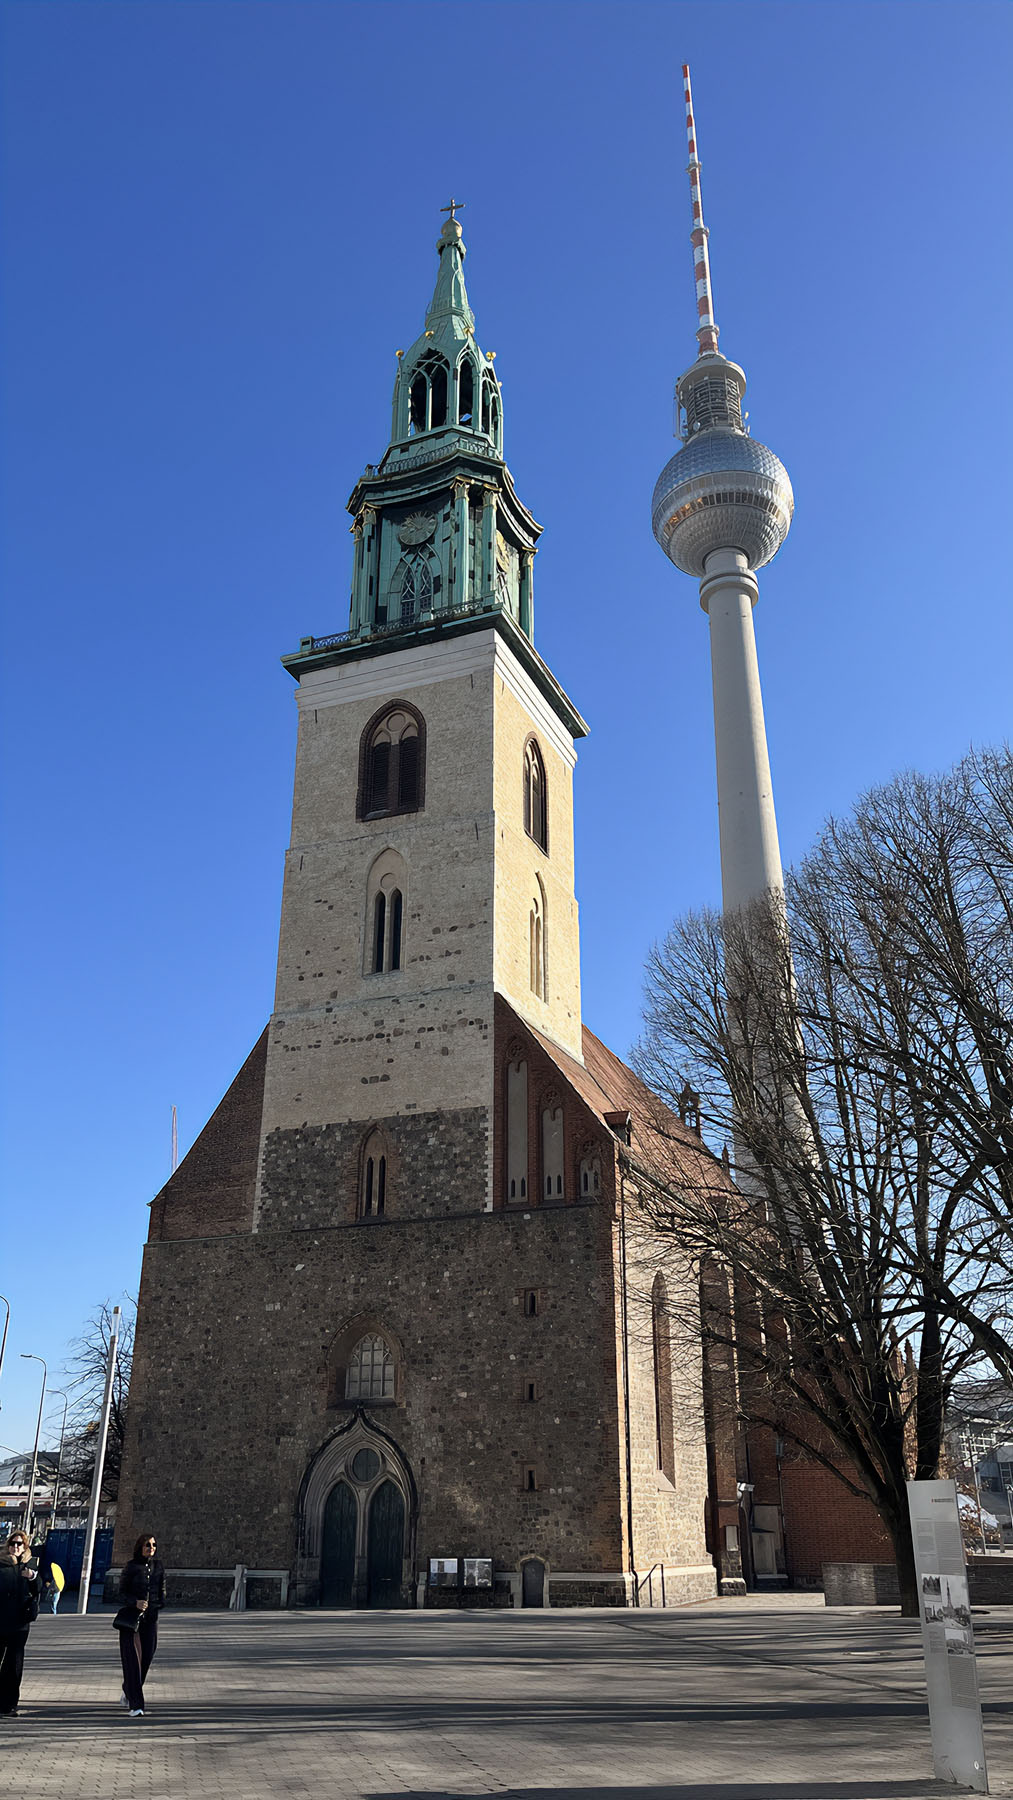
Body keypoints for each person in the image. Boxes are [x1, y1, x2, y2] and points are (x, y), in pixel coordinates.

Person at [116, 1533, 165, 1717]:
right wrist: (134, 1602)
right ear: (140, 1547)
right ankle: (136, 1705)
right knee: (134, 1661)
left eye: (153, 1545)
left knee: (147, 1658)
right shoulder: (131, 1567)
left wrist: (159, 1603)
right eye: (147, 1545)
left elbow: (161, 1588)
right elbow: (120, 1592)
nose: (151, 1548)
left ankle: (129, 1689)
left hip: (150, 1618)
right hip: (132, 1620)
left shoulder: (158, 1566)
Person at [0, 1531, 40, 1716]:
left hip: (19, 1622)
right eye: (13, 1543)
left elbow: (39, 1588)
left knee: (14, 1663)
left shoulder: (30, 1565)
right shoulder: (1, 1564)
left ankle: (9, 1704)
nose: (15, 1547)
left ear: (25, 1547)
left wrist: (32, 1577)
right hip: (1, 1620)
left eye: (19, 1544)